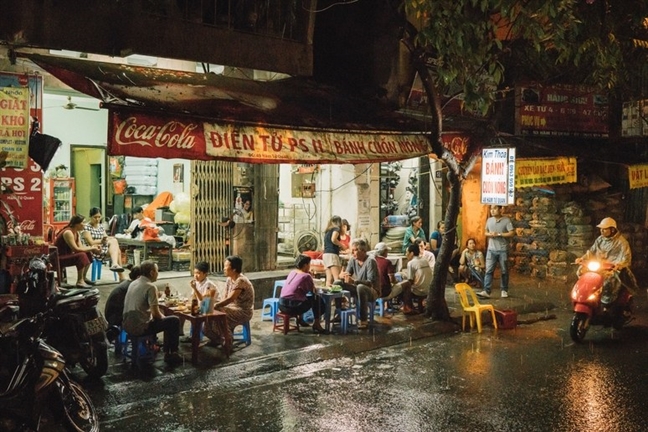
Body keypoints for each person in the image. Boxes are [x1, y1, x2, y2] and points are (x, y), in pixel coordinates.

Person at [122, 260, 182, 365]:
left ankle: (166, 350)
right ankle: (171, 353)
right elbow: (156, 314)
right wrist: (164, 318)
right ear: (151, 273)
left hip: (126, 324)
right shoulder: (150, 287)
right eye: (157, 271)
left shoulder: (134, 283)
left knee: (167, 320)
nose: (158, 274)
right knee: (174, 321)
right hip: (139, 328)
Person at [576, 217, 638, 301]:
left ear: (612, 230)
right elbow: (591, 251)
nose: (601, 231)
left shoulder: (621, 242)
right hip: (598, 267)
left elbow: (626, 258)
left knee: (608, 281)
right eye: (601, 229)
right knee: (581, 271)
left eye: (604, 229)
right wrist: (582, 259)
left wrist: (620, 265)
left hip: (612, 270)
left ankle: (607, 302)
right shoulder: (600, 239)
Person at [204, 255, 255, 344]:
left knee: (217, 310)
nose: (223, 269)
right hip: (232, 308)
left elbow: (230, 298)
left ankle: (228, 338)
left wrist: (216, 305)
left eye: (225, 266)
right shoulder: (229, 279)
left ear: (234, 269)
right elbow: (225, 297)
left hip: (243, 311)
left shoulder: (241, 280)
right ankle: (215, 337)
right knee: (211, 310)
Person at [338, 238, 380, 329]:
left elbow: (370, 282)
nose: (352, 253)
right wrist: (342, 276)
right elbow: (347, 274)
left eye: (355, 250)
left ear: (363, 251)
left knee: (360, 287)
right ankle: (338, 313)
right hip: (357, 287)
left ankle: (363, 319)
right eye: (352, 250)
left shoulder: (370, 261)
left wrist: (353, 281)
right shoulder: (353, 260)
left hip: (372, 290)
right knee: (337, 283)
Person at [278, 254, 326, 333]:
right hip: (292, 307)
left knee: (301, 297)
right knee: (317, 299)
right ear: (305, 265)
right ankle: (317, 324)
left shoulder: (292, 272)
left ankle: (301, 319)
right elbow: (313, 291)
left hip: (281, 305)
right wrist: (311, 276)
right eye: (309, 264)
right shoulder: (306, 276)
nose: (310, 266)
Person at [54, 214, 102, 288]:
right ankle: (80, 281)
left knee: (87, 253)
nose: (84, 225)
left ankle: (83, 277)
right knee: (81, 255)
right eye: (83, 222)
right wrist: (92, 248)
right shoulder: (68, 232)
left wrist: (93, 248)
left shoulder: (76, 232)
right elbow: (75, 249)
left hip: (66, 256)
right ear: (76, 224)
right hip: (58, 258)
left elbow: (81, 247)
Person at [478, 205, 515, 299]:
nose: (492, 211)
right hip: (491, 249)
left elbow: (512, 232)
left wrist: (499, 234)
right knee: (489, 270)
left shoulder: (506, 220)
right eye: (491, 209)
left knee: (504, 270)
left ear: (500, 209)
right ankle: (486, 290)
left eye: (495, 208)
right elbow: (485, 232)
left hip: (503, 250)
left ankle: (504, 290)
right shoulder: (489, 220)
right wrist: (490, 234)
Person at [385, 244, 433, 315]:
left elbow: (410, 281)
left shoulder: (411, 263)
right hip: (429, 289)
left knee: (402, 287)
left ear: (412, 253)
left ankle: (408, 307)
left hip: (419, 291)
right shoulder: (424, 260)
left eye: (407, 252)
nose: (406, 254)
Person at [82, 207, 125, 280]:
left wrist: (107, 238)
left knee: (114, 241)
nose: (97, 219)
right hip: (93, 250)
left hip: (103, 249)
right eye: (95, 217)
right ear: (90, 216)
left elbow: (105, 237)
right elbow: (91, 242)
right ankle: (121, 275)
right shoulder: (86, 227)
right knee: (117, 251)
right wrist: (101, 241)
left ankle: (115, 265)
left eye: (99, 217)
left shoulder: (101, 226)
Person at [180, 261, 218, 342]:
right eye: (194, 273)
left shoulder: (208, 284)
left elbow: (203, 300)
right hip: (202, 305)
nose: (195, 276)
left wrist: (194, 288)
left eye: (198, 273)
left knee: (195, 314)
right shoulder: (197, 282)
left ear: (205, 274)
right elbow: (194, 297)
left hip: (211, 306)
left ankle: (195, 337)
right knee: (182, 311)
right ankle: (191, 335)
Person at [104, 265, 140, 341]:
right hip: (115, 317)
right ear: (138, 277)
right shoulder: (131, 287)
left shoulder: (128, 283)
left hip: (112, 314)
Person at [322, 215, 343, 286]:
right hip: (332, 255)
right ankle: (338, 296)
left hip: (325, 255)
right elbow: (333, 239)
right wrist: (342, 245)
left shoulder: (327, 231)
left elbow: (323, 246)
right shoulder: (336, 229)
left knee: (329, 279)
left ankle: (328, 296)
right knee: (337, 279)